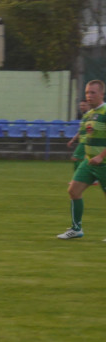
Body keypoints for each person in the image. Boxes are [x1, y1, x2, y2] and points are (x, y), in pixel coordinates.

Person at [57, 79, 106, 240]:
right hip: (89, 162)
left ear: (101, 94)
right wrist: (85, 156)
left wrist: (100, 156)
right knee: (73, 190)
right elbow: (86, 139)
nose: (89, 96)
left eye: (93, 92)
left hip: (103, 162)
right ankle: (76, 229)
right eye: (87, 93)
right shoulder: (88, 115)